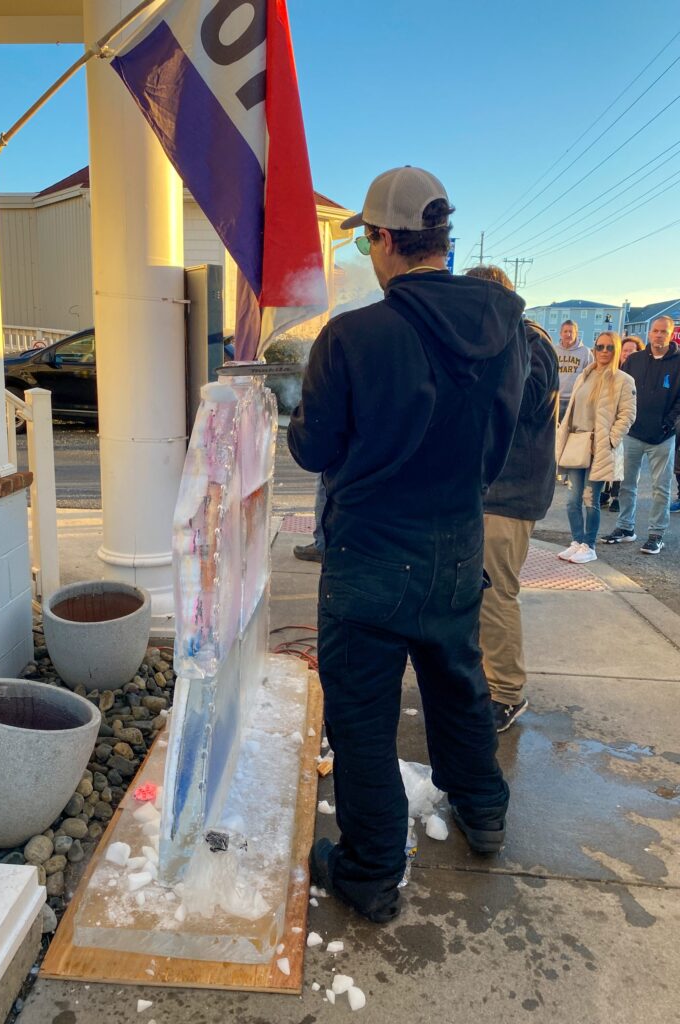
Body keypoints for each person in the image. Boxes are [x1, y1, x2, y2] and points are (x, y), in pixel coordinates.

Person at [288, 166, 528, 923]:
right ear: (443, 241)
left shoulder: (353, 336)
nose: (366, 249)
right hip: (455, 545)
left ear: (387, 241)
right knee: (458, 688)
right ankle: (484, 812)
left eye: (365, 237)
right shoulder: (505, 330)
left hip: (368, 562)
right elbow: (495, 449)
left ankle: (369, 873)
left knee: (361, 720)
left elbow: (315, 449)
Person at [466, 265, 558, 734]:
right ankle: (487, 680)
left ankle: (505, 692)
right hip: (490, 489)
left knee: (496, 593)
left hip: (510, 492)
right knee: (479, 592)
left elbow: (524, 398)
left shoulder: (529, 342)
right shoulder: (507, 341)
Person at [556, 332, 636, 563]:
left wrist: (611, 440)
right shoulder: (585, 375)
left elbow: (627, 415)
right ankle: (577, 540)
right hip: (576, 442)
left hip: (599, 446)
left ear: (616, 350)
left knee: (592, 498)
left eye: (609, 347)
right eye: (599, 346)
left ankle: (589, 545)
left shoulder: (623, 380)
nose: (603, 351)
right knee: (572, 499)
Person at [603, 315, 680, 554]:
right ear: (649, 333)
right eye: (655, 331)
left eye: (663, 332)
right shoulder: (634, 360)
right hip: (633, 433)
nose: (658, 335)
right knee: (626, 483)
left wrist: (669, 424)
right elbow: (620, 392)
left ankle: (656, 533)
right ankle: (626, 528)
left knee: (661, 487)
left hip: (662, 438)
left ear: (670, 334)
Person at [600, 336, 645, 512]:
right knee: (607, 459)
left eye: (631, 351)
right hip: (610, 422)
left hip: (632, 424)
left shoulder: (639, 373)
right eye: (624, 350)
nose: (627, 354)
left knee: (623, 463)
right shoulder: (612, 372)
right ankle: (605, 491)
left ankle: (617, 496)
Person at [554, 320, 592, 422]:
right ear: (560, 333)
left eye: (571, 332)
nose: (568, 334)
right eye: (565, 331)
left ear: (576, 334)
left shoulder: (585, 352)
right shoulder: (553, 350)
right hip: (555, 399)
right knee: (555, 432)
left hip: (575, 400)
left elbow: (591, 376)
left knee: (571, 432)